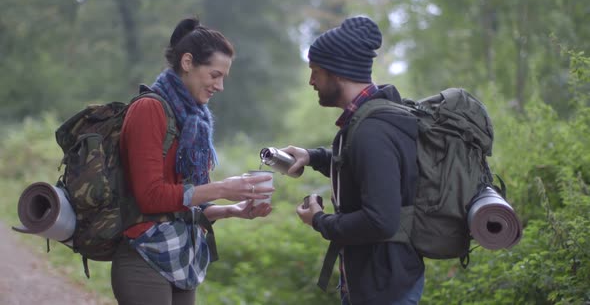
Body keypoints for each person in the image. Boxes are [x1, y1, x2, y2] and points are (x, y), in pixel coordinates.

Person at [111, 17, 274, 305]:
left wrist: (233, 210)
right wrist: (223, 188)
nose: (220, 86)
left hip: (182, 258)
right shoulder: (149, 109)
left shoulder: (196, 121)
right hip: (144, 256)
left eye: (223, 77)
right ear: (187, 62)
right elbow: (151, 198)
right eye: (214, 75)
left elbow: (186, 205)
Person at [282, 16, 425, 304]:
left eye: (316, 71)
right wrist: (311, 156)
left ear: (338, 72)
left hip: (384, 287)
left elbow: (380, 221)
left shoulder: (372, 131)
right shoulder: (371, 118)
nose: (311, 81)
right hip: (380, 279)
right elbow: (358, 165)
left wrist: (319, 221)